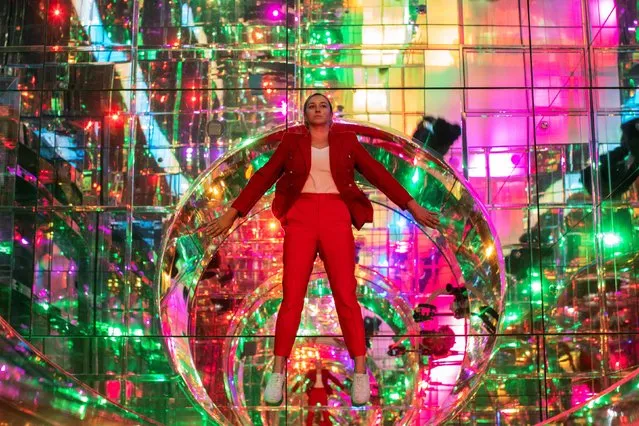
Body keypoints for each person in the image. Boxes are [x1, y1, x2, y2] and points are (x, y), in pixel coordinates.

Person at [204, 93, 440, 406]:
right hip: (300, 217)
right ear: (305, 115)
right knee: (291, 297)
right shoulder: (292, 140)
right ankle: (278, 372)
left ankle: (359, 372)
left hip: (335, 216)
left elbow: (379, 175)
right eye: (311, 106)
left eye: (322, 105)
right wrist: (233, 212)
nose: (317, 109)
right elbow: (263, 177)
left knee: (345, 294)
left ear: (331, 113)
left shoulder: (347, 140)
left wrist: (412, 206)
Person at [291, 358, 344, 426]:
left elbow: (334, 379)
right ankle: (309, 424)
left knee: (324, 410)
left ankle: (328, 424)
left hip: (322, 392)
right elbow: (303, 380)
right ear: (315, 364)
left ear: (321, 364)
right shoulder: (311, 372)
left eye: (319, 363)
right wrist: (294, 389)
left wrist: (342, 387)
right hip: (314, 392)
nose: (318, 365)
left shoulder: (325, 372)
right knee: (311, 411)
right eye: (317, 363)